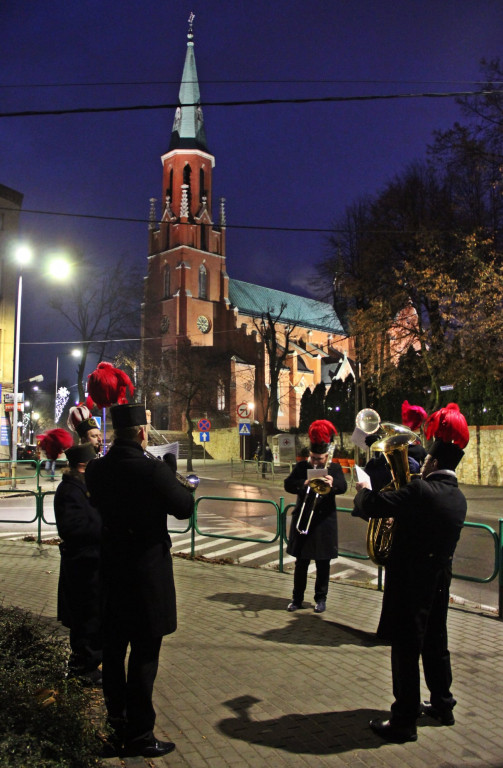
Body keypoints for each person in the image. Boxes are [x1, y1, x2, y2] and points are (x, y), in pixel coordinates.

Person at [352, 403, 469, 743]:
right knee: (436, 641)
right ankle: (443, 704)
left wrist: (363, 495)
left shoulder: (419, 490)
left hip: (410, 579)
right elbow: (421, 522)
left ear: (432, 461)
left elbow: (373, 506)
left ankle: (404, 719)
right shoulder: (457, 498)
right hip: (439, 578)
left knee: (406, 646)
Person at [85, 403, 195, 759]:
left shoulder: (98, 469)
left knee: (114, 654)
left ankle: (116, 724)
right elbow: (184, 507)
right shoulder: (152, 470)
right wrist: (172, 473)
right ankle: (140, 734)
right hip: (148, 574)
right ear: (142, 433)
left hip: (112, 571)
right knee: (145, 654)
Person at [284, 419, 347, 614]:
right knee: (301, 563)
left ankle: (321, 599)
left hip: (323, 522)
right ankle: (297, 598)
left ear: (326, 456)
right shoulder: (302, 467)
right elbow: (288, 484)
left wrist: (332, 482)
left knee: (323, 563)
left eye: (319, 459)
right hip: (303, 520)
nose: (315, 462)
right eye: (313, 458)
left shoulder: (334, 469)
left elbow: (343, 487)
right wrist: (303, 483)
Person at [54, 442, 102, 685]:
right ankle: (82, 669)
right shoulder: (70, 490)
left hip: (92, 563)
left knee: (93, 616)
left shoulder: (81, 486)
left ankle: (90, 664)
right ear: (84, 466)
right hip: (82, 565)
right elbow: (73, 527)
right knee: (85, 619)